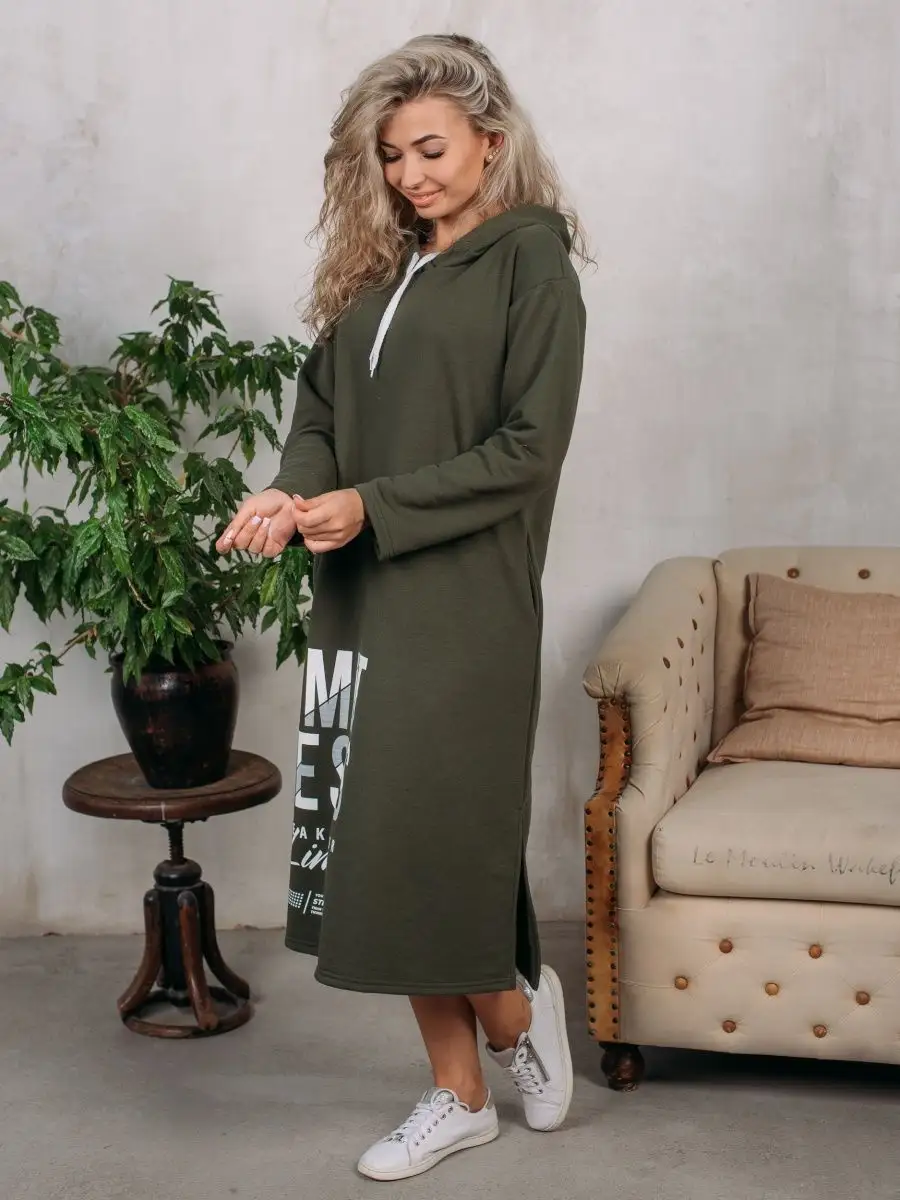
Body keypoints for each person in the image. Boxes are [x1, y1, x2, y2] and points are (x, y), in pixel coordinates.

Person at [216, 32, 589, 1182]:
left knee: (433, 832)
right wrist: (290, 493)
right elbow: (321, 410)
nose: (409, 174)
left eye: (430, 149)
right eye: (391, 156)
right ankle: (461, 1090)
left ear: (492, 139)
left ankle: (516, 1015)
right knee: (375, 840)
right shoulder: (378, 274)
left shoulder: (535, 266)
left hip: (467, 603)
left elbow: (527, 451)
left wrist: (371, 505)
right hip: (355, 592)